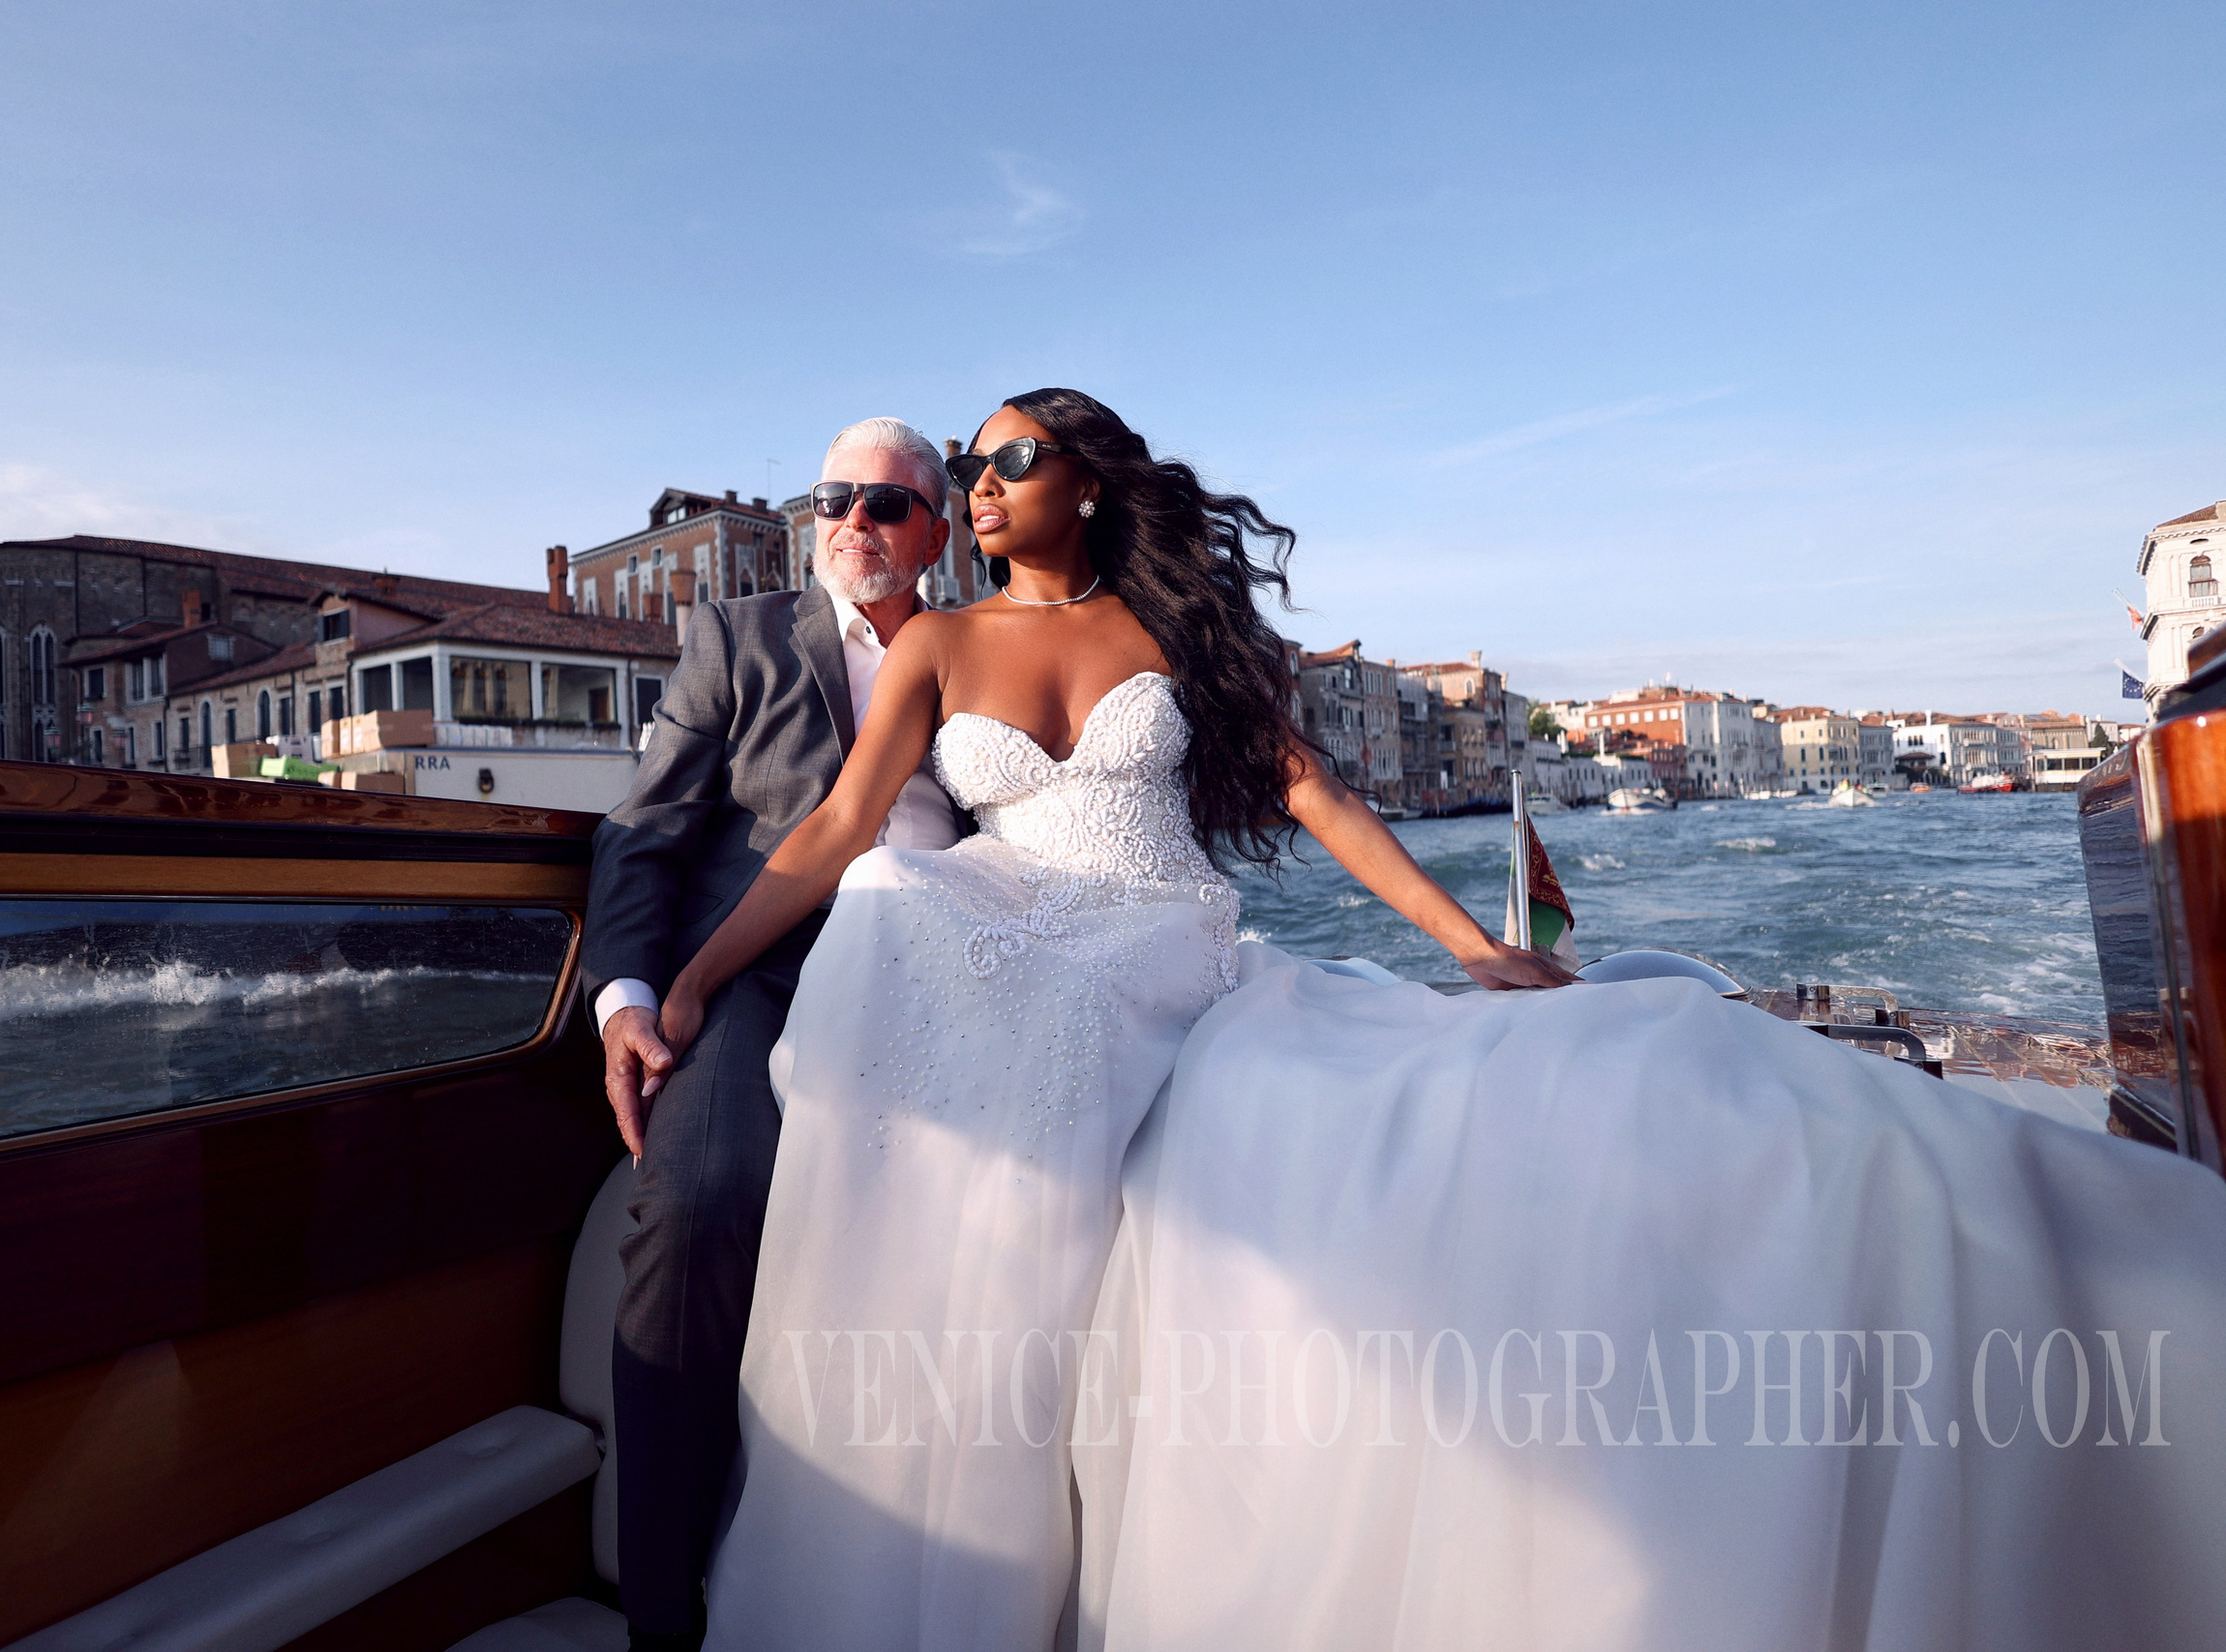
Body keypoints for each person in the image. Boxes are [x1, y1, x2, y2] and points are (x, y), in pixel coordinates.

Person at [647, 388, 1569, 1652]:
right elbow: (836, 826)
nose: (980, 482)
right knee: (884, 890)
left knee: (1046, 997)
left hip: (1154, 920)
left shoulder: (1170, 629)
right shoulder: (941, 642)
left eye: (1010, 458)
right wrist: (697, 974)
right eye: (969, 465)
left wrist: (1474, 944)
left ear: (1086, 481)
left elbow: (1316, 790)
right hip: (1012, 906)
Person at [578, 416, 969, 1651]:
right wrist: (629, 1000)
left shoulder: (982, 652)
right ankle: (658, 1617)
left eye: (886, 503)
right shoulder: (739, 638)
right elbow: (642, 831)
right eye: (832, 497)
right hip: (748, 977)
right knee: (694, 1212)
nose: (853, 519)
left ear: (936, 536)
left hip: (943, 983)